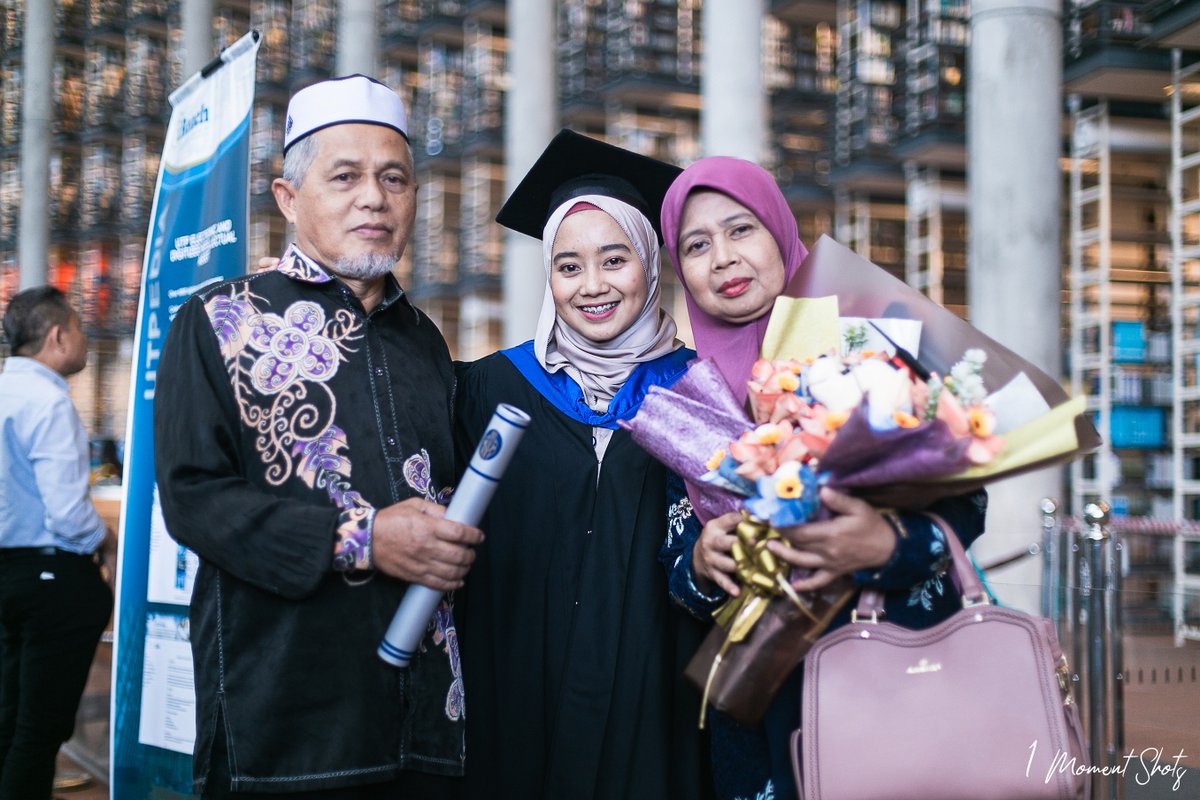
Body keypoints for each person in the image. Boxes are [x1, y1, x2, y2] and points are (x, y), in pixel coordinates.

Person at [154, 74, 483, 798]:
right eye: (346, 176)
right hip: (285, 726)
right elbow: (193, 499)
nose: (374, 196)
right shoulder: (216, 320)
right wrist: (364, 538)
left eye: (394, 178)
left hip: (425, 729)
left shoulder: (425, 340)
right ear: (288, 198)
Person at [657, 156, 988, 800]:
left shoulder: (871, 343)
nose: (722, 258)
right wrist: (700, 562)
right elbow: (677, 573)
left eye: (740, 229)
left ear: (781, 233)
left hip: (901, 673)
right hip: (765, 708)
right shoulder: (685, 398)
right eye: (697, 245)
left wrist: (887, 546)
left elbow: (969, 499)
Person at [453, 130, 712, 800]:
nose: (591, 287)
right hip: (514, 698)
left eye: (614, 260)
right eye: (568, 267)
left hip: (658, 705)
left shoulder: (701, 394)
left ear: (651, 265)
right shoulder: (489, 389)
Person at [0, 286, 113, 800]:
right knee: (39, 730)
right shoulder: (48, 401)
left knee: (9, 716)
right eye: (79, 328)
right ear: (56, 335)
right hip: (51, 580)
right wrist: (105, 539)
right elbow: (68, 514)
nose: (86, 340)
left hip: (8, 575)